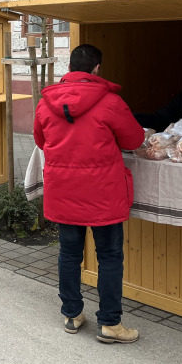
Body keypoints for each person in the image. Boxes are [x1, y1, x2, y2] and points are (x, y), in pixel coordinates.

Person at [33, 44, 145, 343]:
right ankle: (110, 324)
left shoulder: (45, 102)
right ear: (96, 69)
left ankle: (72, 314)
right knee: (109, 256)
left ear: (69, 68)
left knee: (68, 254)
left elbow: (41, 141)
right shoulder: (110, 101)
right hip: (103, 194)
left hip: (63, 190)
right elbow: (134, 139)